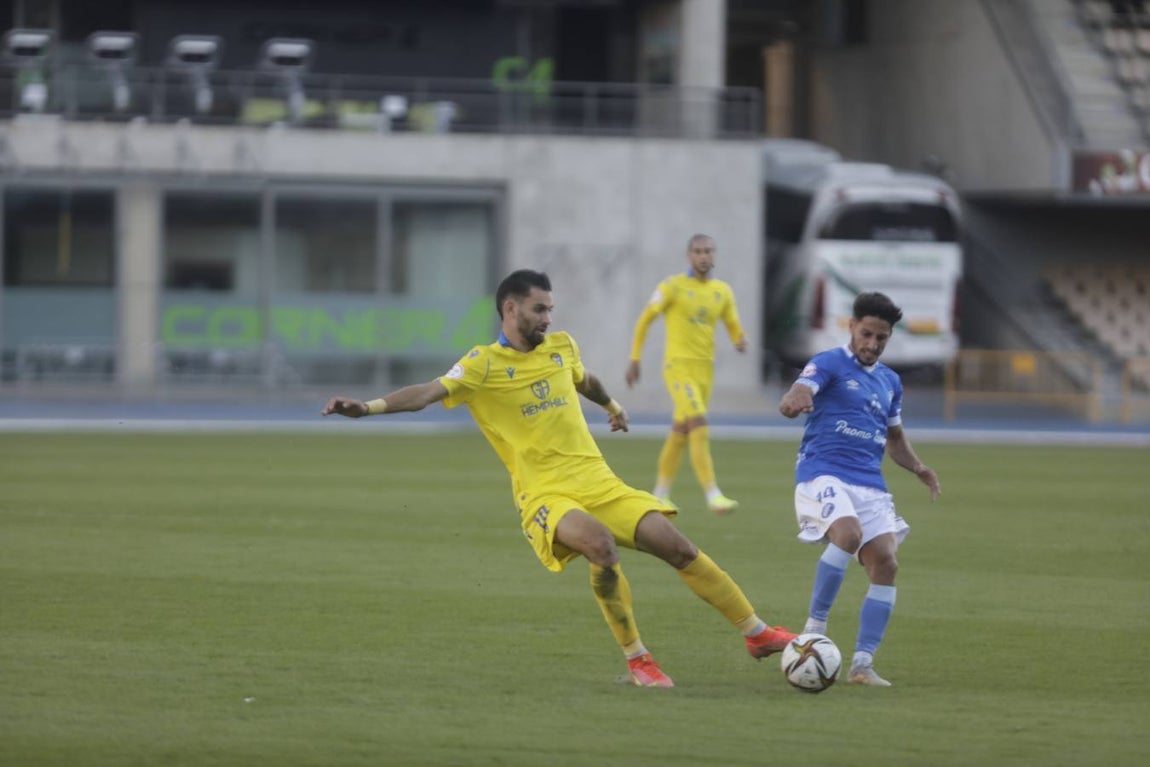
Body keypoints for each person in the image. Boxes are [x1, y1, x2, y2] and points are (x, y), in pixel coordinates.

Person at [324, 269, 795, 688]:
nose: (548, 317)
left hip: (599, 481)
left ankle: (757, 634)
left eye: (551, 308)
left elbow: (584, 380)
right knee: (600, 548)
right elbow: (426, 393)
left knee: (679, 547)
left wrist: (611, 406)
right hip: (544, 494)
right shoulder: (482, 364)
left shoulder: (561, 347)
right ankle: (639, 660)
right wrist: (367, 408)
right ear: (511, 309)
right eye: (539, 308)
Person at [777, 291, 941, 687]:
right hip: (823, 473)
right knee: (847, 534)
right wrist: (794, 400)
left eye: (880, 338)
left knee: (886, 561)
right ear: (851, 327)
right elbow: (797, 393)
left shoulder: (890, 382)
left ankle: (862, 666)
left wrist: (918, 467)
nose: (872, 344)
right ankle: (813, 631)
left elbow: (895, 438)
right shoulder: (828, 363)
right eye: (866, 334)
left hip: (869, 482)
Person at [625, 234, 747, 514]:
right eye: (698, 251)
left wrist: (739, 339)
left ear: (714, 255)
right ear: (688, 255)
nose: (704, 256)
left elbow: (732, 324)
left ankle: (659, 494)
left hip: (705, 370)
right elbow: (644, 320)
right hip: (677, 367)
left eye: (708, 251)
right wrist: (635, 359)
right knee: (699, 423)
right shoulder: (673, 287)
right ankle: (713, 493)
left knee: (680, 431)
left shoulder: (722, 291)